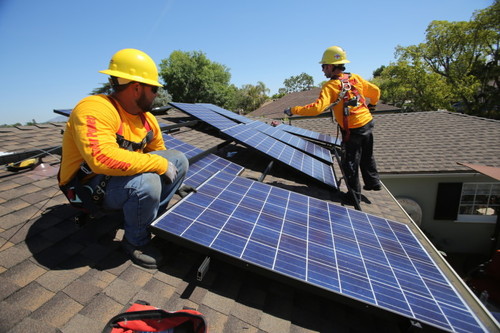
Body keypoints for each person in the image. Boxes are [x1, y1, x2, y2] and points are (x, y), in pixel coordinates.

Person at [59, 48, 188, 269]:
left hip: (116, 182)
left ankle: (143, 217)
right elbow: (102, 159)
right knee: (146, 183)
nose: (157, 93)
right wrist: (157, 164)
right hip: (85, 189)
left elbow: (162, 154)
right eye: (154, 88)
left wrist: (174, 178)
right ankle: (135, 241)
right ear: (137, 88)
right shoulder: (95, 108)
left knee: (178, 160)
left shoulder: (147, 120)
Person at [284, 46, 381, 204]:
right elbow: (375, 91)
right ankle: (373, 183)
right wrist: (373, 106)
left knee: (349, 162)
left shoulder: (330, 86)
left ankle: (353, 197)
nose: (323, 70)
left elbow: (316, 108)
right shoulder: (354, 78)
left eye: (323, 66)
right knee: (367, 155)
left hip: (353, 130)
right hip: (368, 123)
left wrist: (293, 110)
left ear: (330, 66)